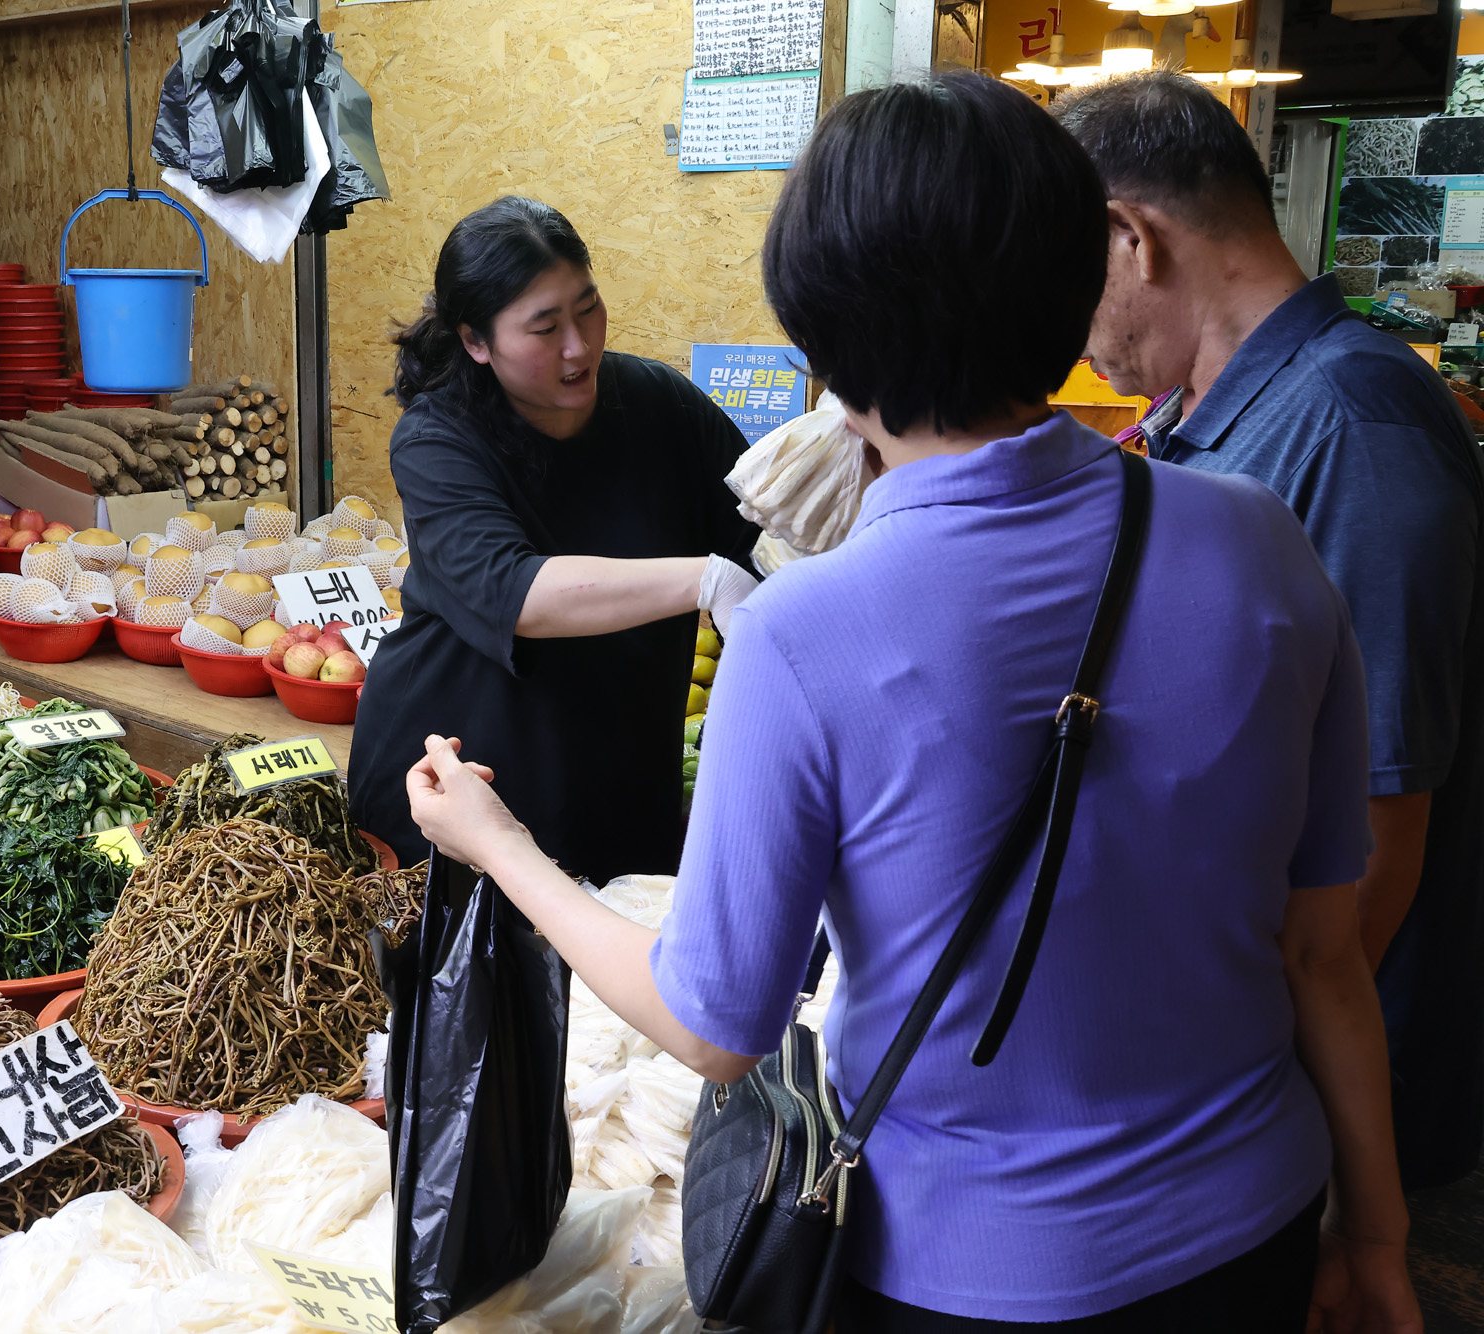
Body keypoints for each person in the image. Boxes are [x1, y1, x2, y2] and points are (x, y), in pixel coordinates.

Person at [405, 74, 1419, 1332]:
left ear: (819, 344)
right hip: (1254, 1221)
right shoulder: (1260, 541)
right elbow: (1322, 953)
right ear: (1075, 280)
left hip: (968, 1275)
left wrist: (498, 846)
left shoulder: (798, 636)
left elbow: (716, 1027)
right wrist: (1374, 1233)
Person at [1058, 73, 1484, 1192]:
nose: (1062, 325)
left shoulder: (1352, 427)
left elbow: (1382, 825)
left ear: (1127, 238)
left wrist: (1290, 1088)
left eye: (1063, 280)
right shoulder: (1208, 415)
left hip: (1318, 1081)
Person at [346, 197, 760, 884]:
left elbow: (764, 530)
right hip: (465, 785)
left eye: (587, 307)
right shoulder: (438, 438)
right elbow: (516, 592)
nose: (579, 345)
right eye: (544, 328)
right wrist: (706, 580)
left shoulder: (661, 408)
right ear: (476, 341)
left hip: (619, 781)